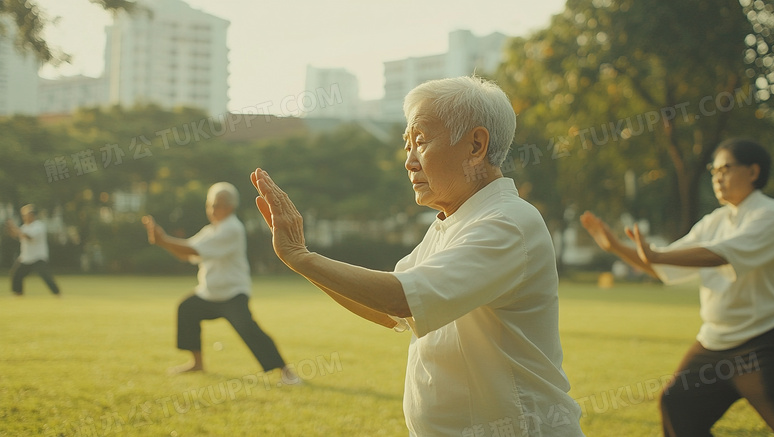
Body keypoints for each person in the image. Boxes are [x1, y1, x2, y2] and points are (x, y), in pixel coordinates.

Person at [249, 76, 584, 436]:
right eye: (408, 145)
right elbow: (390, 310)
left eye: (420, 142)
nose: (409, 162)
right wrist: (301, 260)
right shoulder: (452, 224)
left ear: (476, 145)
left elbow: (401, 297)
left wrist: (301, 257)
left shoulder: (507, 223)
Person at [580, 138, 774, 436]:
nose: (717, 176)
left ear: (753, 172)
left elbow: (720, 254)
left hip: (763, 343)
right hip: (715, 343)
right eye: (714, 170)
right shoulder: (715, 221)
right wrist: (618, 248)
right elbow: (667, 265)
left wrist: (657, 254)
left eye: (726, 168)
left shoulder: (770, 215)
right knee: (678, 405)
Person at [142, 182, 299, 383]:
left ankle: (286, 372)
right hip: (209, 293)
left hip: (232, 294)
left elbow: (193, 251)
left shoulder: (232, 228)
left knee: (248, 329)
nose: (213, 209)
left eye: (218, 205)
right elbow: (185, 252)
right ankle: (197, 364)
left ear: (230, 207)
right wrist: (163, 242)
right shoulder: (211, 231)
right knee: (187, 309)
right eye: (210, 205)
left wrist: (163, 240)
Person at [6, 204, 61, 297]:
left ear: (32, 215)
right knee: (16, 275)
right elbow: (18, 235)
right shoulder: (24, 227)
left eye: (26, 215)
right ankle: (18, 293)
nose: (24, 217)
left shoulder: (38, 226)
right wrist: (10, 228)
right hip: (26, 257)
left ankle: (57, 294)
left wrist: (15, 228)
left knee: (46, 276)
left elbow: (29, 237)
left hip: (38, 256)